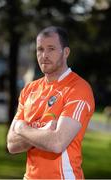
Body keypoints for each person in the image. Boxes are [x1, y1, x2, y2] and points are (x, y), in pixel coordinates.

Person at [7, 26, 95, 179]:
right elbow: (12, 145)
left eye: (51, 49)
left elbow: (57, 143)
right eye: (40, 49)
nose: (44, 55)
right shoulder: (29, 90)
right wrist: (43, 133)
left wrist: (22, 128)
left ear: (66, 52)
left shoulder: (78, 88)